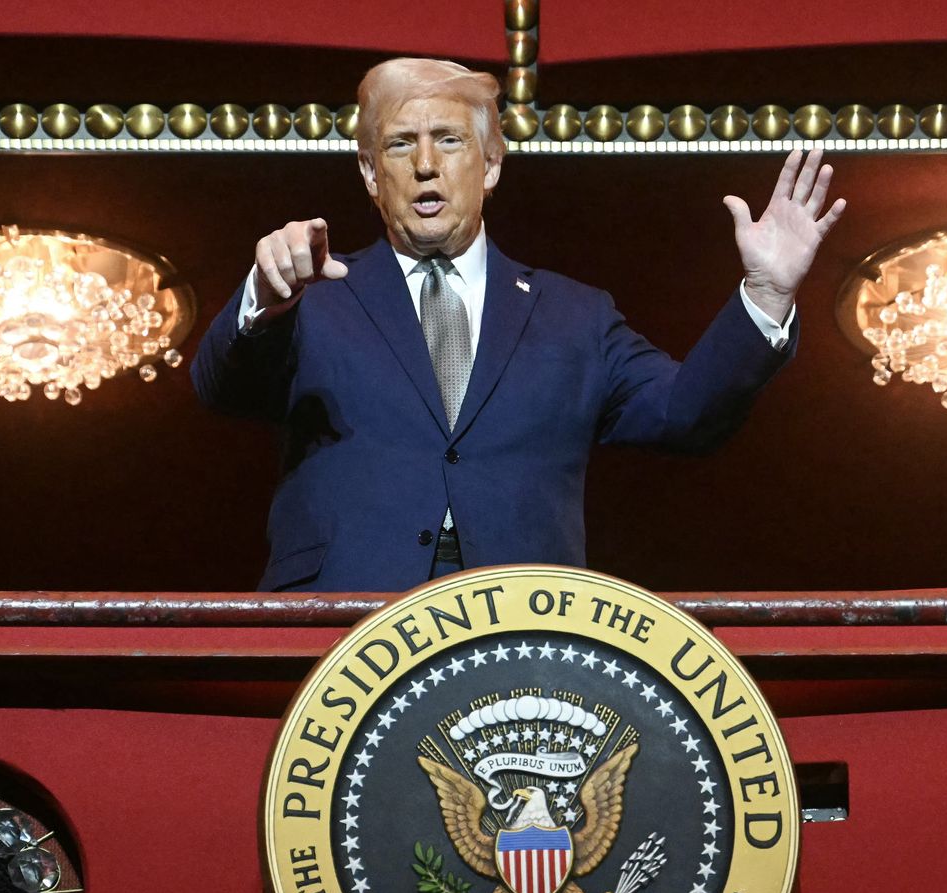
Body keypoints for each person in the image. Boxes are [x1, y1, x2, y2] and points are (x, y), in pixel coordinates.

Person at [191, 58, 846, 592]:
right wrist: (263, 296)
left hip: (522, 630)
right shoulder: (315, 294)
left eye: (448, 140)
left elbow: (685, 413)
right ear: (369, 172)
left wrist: (765, 293)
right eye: (399, 144)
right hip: (346, 620)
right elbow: (221, 387)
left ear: (493, 163)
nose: (425, 164)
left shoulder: (576, 315)